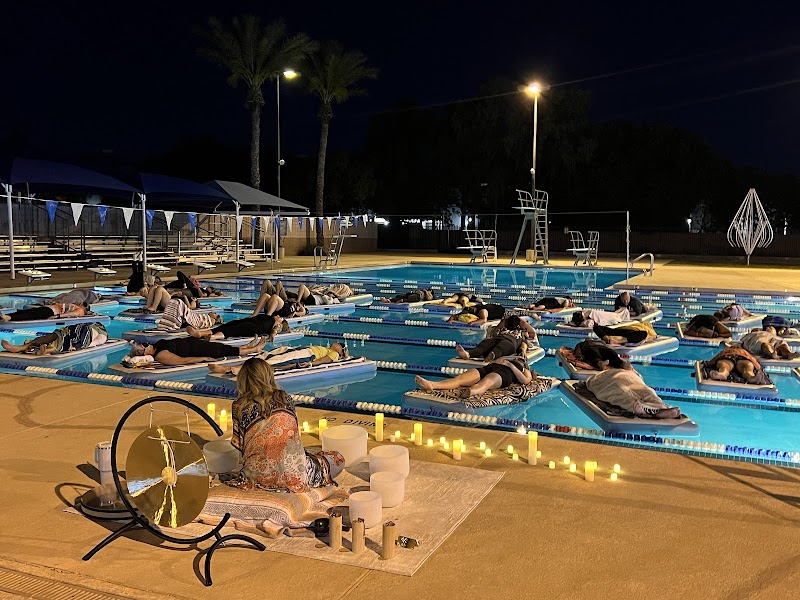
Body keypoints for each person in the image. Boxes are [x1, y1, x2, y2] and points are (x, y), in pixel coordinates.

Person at [226, 358, 345, 492]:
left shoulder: (239, 405)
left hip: (254, 477)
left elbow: (240, 445)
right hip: (294, 476)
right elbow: (294, 436)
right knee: (336, 458)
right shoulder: (284, 398)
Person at [582, 368, 681, 419]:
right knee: (620, 390)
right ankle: (639, 408)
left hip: (629, 377)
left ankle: (660, 406)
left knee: (647, 391)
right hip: (606, 378)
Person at [414, 357, 533, 398]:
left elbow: (525, 381)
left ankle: (472, 391)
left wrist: (511, 365)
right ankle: (432, 384)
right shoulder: (510, 360)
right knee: (459, 379)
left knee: (486, 383)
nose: (519, 359)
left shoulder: (524, 369)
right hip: (488, 368)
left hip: (504, 374)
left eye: (521, 360)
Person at [208, 342, 349, 376]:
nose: (336, 343)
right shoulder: (330, 349)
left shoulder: (334, 354)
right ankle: (238, 365)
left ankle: (233, 370)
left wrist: (311, 363)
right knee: (265, 355)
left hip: (306, 355)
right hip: (300, 350)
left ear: (340, 350)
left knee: (273, 362)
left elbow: (325, 360)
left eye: (340, 345)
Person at [126, 336, 268, 366]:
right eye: (143, 346)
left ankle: (247, 346)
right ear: (144, 353)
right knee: (223, 350)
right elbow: (182, 360)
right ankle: (254, 349)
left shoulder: (157, 345)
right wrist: (203, 359)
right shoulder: (161, 355)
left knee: (223, 347)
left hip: (193, 343)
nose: (145, 345)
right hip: (196, 350)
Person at [454, 315, 538, 361]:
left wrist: (523, 350)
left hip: (510, 341)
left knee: (502, 346)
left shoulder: (521, 334)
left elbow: (525, 342)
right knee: (485, 344)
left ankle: (493, 355)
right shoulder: (503, 328)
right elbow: (496, 330)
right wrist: (504, 321)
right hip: (499, 337)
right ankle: (468, 354)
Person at [1, 322, 108, 356]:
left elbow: (93, 342)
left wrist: (77, 347)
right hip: (71, 329)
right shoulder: (100, 331)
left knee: (66, 340)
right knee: (54, 336)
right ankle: (19, 347)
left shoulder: (102, 335)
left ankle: (44, 349)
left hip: (82, 333)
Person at [188, 314, 289, 342]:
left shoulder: (276, 324)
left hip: (255, 327)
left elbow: (276, 330)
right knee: (226, 325)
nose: (279, 316)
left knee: (233, 330)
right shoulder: (269, 317)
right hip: (249, 321)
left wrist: (273, 334)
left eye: (281, 318)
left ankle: (213, 337)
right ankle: (200, 333)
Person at [156, 296, 221, 332]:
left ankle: (168, 325)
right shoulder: (205, 316)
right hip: (191, 316)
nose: (213, 312)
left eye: (215, 313)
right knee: (174, 302)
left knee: (177, 302)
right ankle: (167, 324)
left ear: (215, 318)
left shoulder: (212, 320)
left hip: (192, 319)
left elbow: (201, 323)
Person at [0, 302, 89, 323]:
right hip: (49, 309)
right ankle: (7, 316)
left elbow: (71, 314)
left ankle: (9, 317)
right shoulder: (77, 306)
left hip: (52, 311)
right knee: (28, 312)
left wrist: (57, 316)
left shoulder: (80, 311)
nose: (81, 304)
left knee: (29, 314)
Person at [592, 320, 656, 345]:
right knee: (596, 327)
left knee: (643, 334)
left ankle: (616, 341)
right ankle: (606, 338)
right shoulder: (645, 327)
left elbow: (652, 337)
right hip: (623, 330)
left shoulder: (650, 331)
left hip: (630, 333)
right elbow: (653, 337)